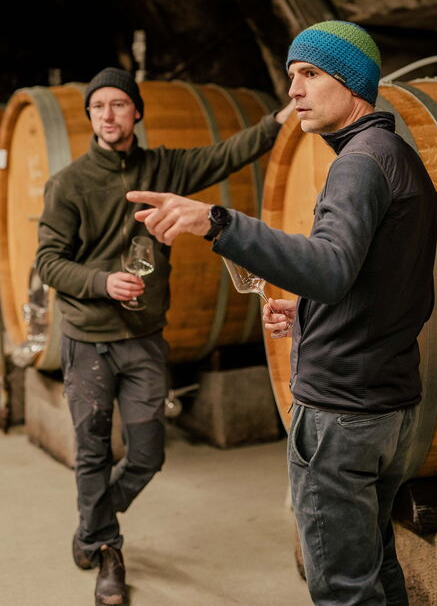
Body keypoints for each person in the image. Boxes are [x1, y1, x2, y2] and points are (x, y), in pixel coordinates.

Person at [127, 21, 437, 606]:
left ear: (352, 84)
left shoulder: (358, 164)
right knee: (376, 569)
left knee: (343, 590)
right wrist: (310, 314)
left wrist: (218, 222)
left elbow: (329, 268)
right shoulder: (397, 157)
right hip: (388, 403)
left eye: (310, 74)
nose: (293, 90)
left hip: (342, 411)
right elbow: (391, 285)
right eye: (292, 75)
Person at [35, 66, 292, 606]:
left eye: (118, 104)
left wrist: (279, 119)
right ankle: (107, 550)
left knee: (149, 454)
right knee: (92, 451)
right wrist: (102, 282)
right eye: (98, 106)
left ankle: (92, 522)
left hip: (144, 337)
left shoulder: (162, 168)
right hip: (88, 339)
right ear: (89, 116)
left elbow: (226, 154)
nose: (108, 114)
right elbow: (49, 262)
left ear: (136, 112)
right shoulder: (69, 184)